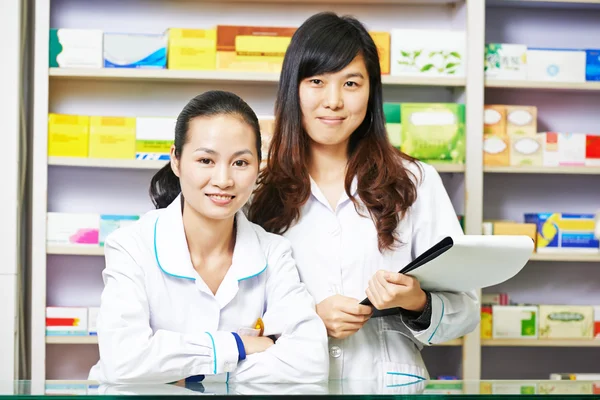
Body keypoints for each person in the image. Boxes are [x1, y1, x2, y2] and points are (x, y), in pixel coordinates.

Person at [247, 12, 480, 384]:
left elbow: (466, 310)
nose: (334, 101)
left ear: (372, 91)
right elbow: (229, 311)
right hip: (287, 383)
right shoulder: (256, 186)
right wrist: (307, 319)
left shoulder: (415, 182)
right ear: (293, 88)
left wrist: (416, 302)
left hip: (386, 384)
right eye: (317, 81)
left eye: (351, 83)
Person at [88, 90, 329, 385]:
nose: (224, 180)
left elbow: (310, 363)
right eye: (205, 160)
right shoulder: (131, 246)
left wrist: (188, 373)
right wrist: (237, 346)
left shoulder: (274, 253)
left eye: (240, 163)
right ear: (176, 160)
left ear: (258, 167)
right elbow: (123, 362)